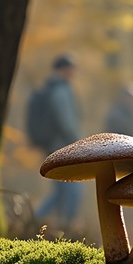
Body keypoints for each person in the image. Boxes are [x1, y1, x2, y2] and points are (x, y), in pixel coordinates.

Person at [36, 54, 84, 229]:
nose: (72, 73)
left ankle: (37, 219)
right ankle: (65, 226)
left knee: (60, 192)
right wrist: (78, 144)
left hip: (55, 147)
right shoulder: (61, 91)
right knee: (72, 190)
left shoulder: (52, 89)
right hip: (63, 147)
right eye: (69, 69)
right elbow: (66, 122)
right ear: (61, 69)